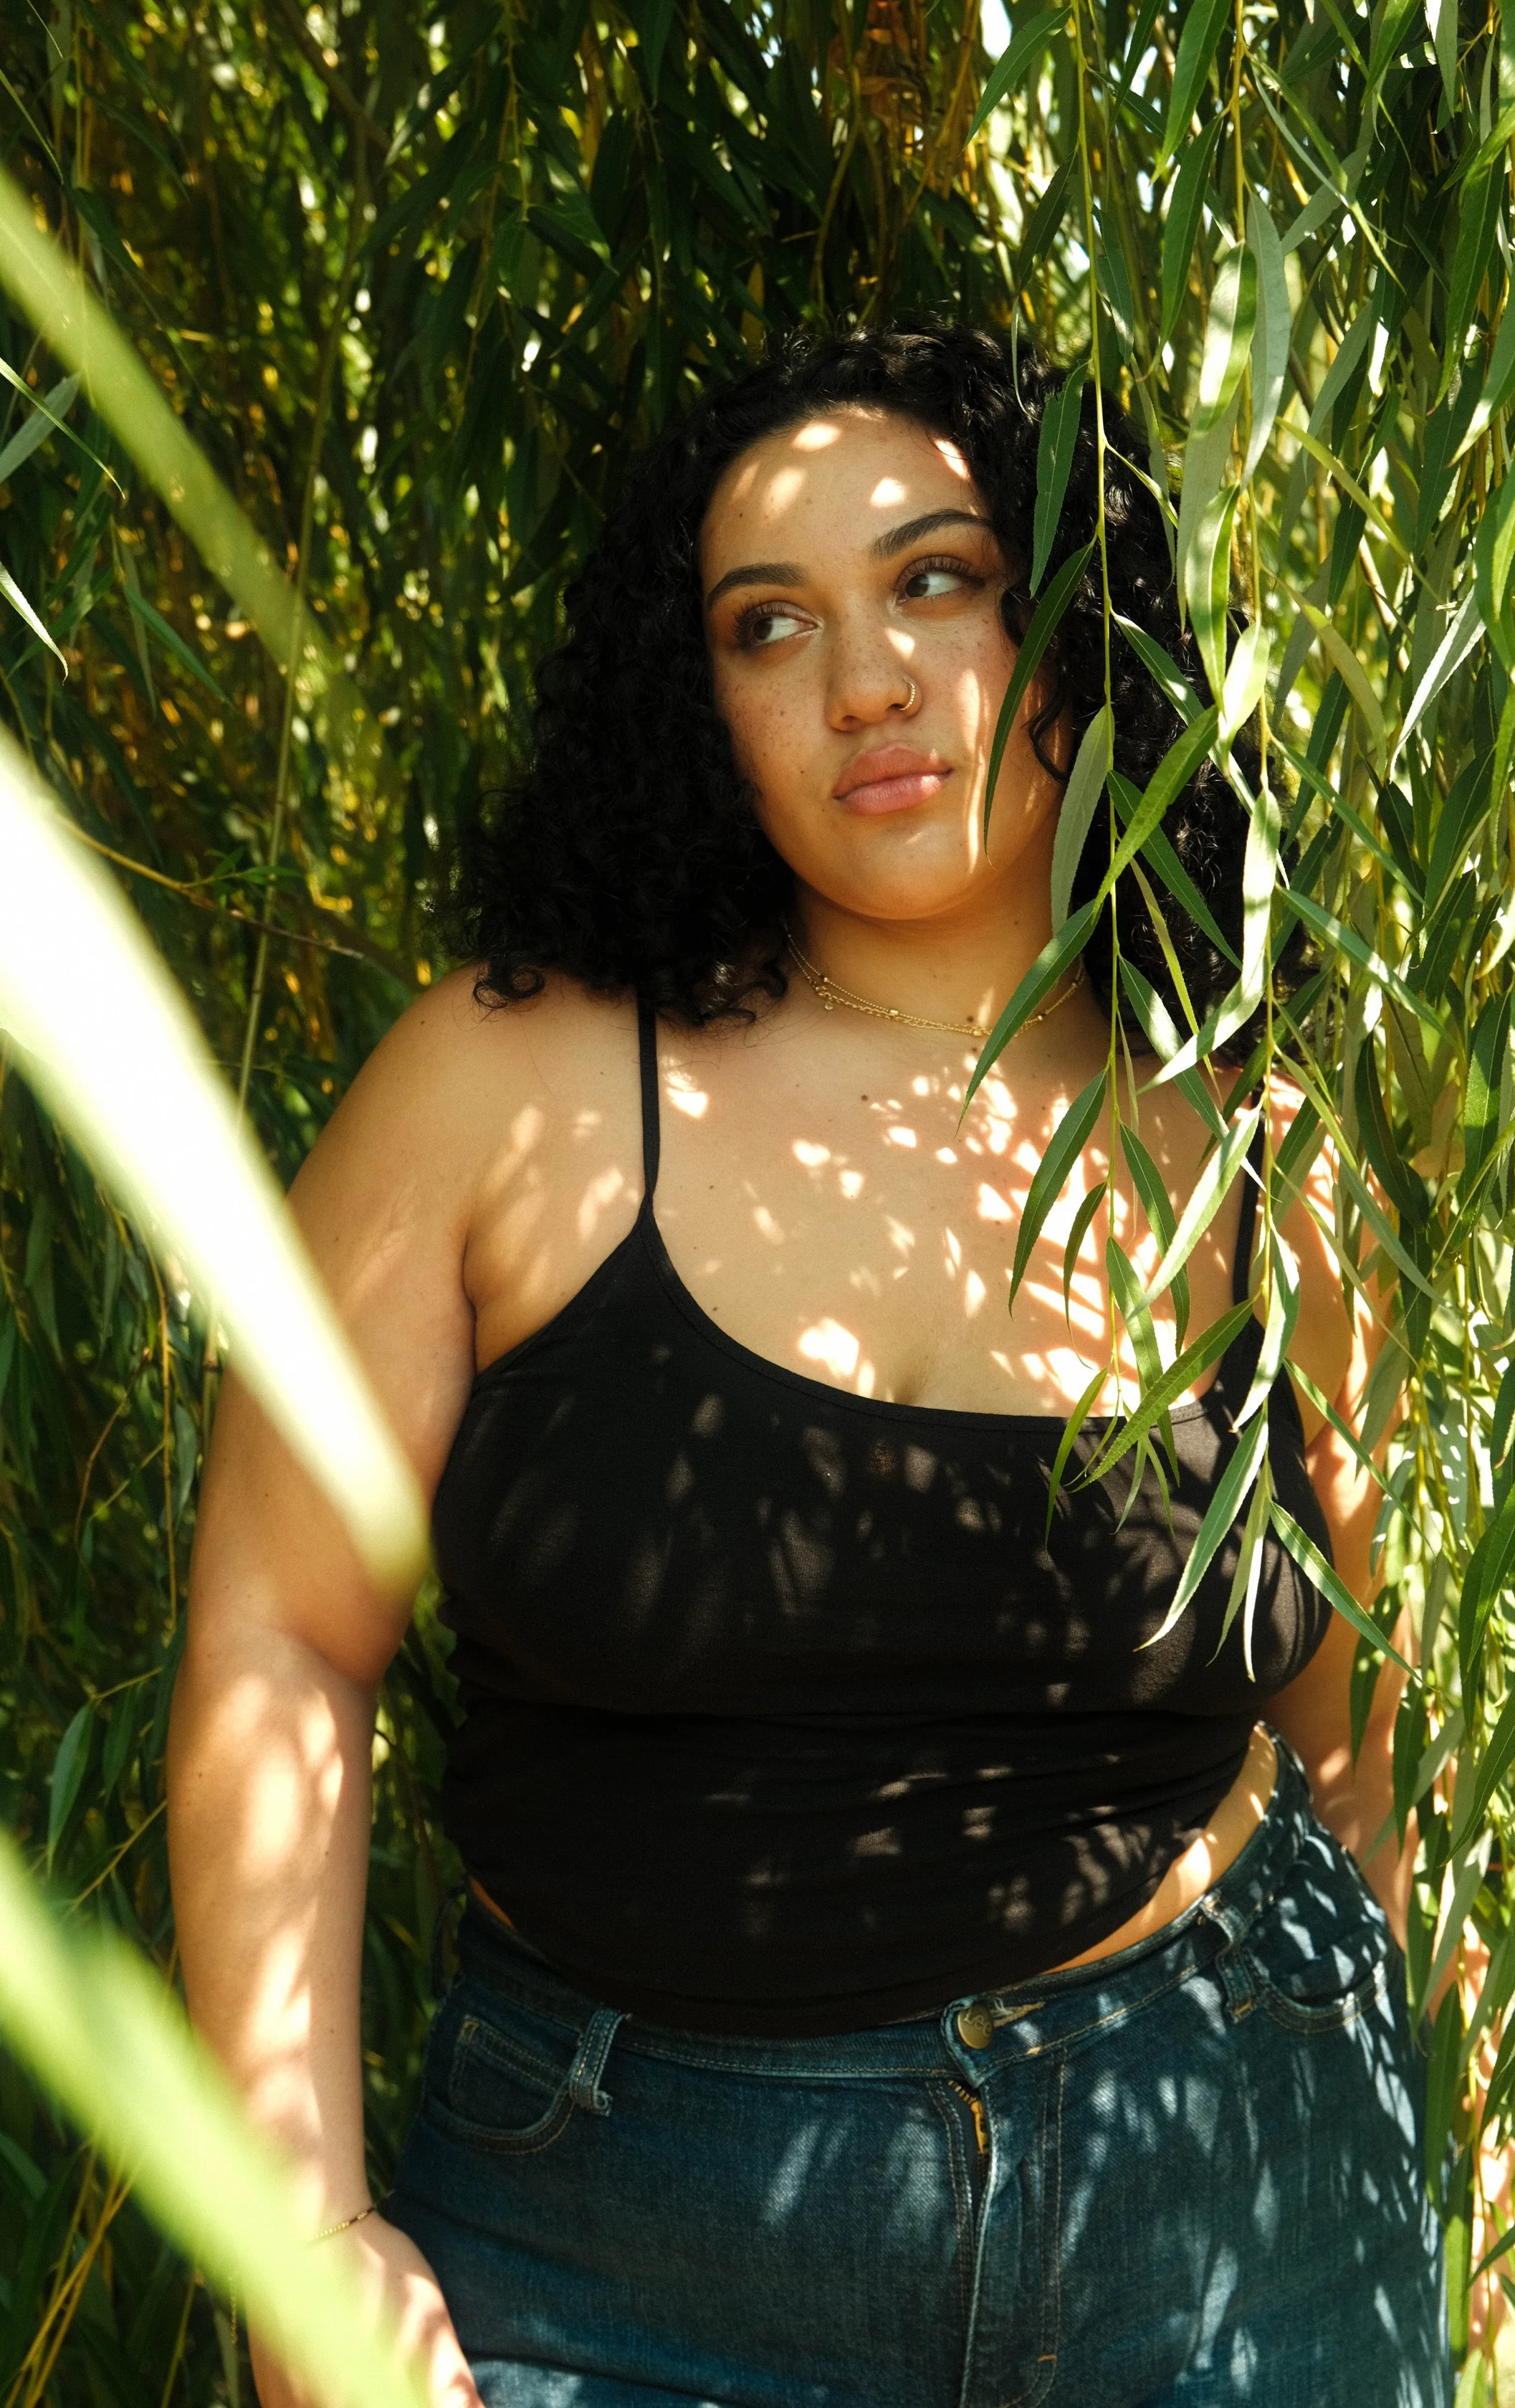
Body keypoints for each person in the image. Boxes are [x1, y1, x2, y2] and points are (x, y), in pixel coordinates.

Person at [168, 325, 1448, 2408]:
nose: (868, 680)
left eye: (937, 578)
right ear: (700, 711)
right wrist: (299, 2229)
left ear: (1074, 630)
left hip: (1234, 2184)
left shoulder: (1254, 1141)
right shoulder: (511, 1090)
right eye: (771, 625)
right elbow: (278, 1637)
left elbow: (1356, 1717)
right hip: (622, 2232)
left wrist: (1448, 2123)